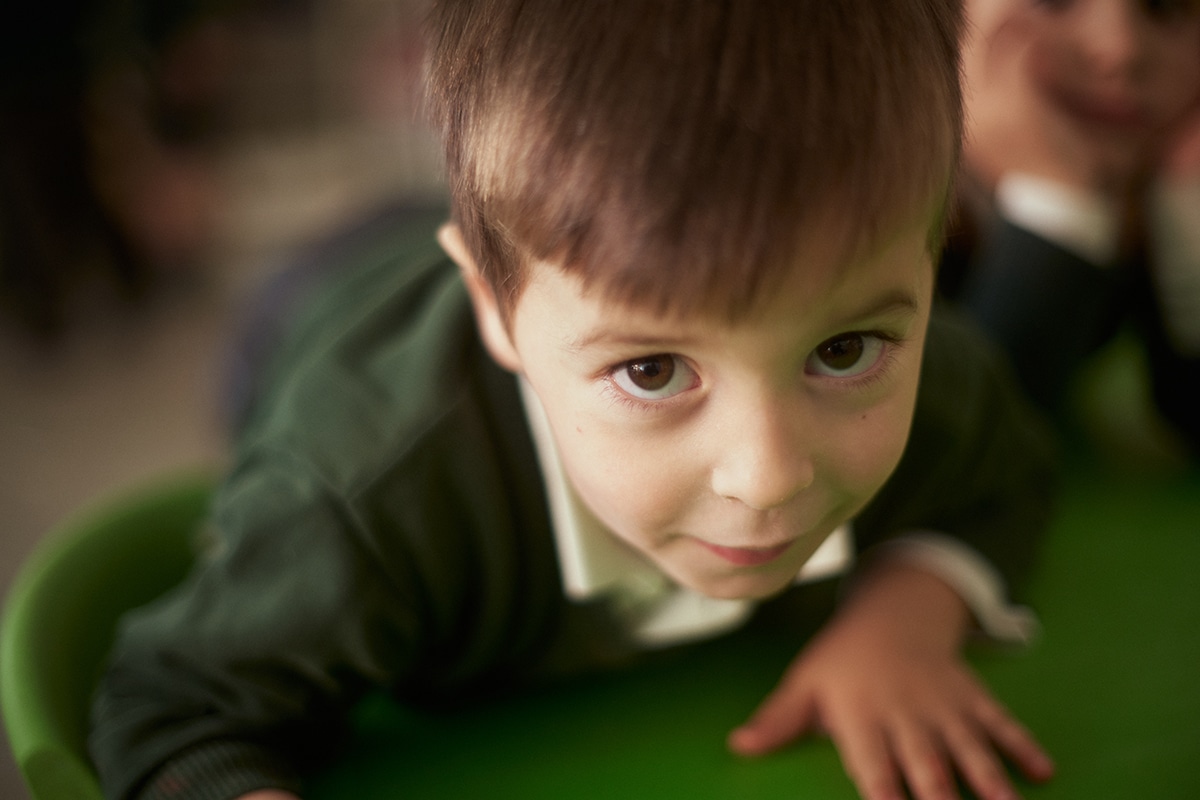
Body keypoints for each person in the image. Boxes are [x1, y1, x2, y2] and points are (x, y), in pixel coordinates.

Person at [89, 2, 1059, 800]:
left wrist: (903, 612)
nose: (767, 476)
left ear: (931, 270)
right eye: (652, 370)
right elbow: (170, 705)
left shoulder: (938, 369)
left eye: (841, 349)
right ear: (495, 313)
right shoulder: (359, 492)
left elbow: (1004, 469)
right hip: (316, 304)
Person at [943, 0, 1200, 452]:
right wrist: (1057, 208)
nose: (1120, 51)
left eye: (1166, 7)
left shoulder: (1148, 196)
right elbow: (950, 469)